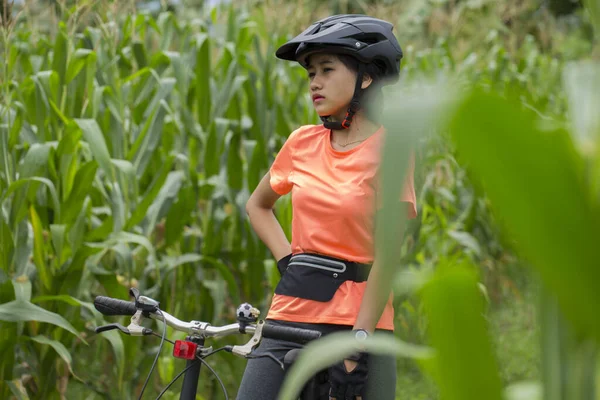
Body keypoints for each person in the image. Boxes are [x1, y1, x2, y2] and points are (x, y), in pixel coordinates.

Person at [238, 14, 417, 400]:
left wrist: (361, 340)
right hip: (290, 312)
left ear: (365, 77)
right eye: (310, 74)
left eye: (327, 69)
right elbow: (258, 206)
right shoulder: (301, 142)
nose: (314, 82)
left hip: (357, 322)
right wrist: (289, 262)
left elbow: (388, 255)